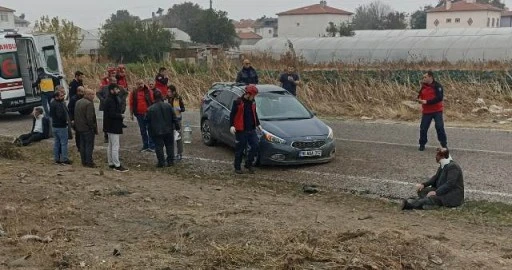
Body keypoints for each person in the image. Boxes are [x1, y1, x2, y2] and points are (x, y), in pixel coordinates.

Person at [229, 84, 261, 174]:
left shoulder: (253, 102)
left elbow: (254, 113)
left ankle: (248, 163)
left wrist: (258, 124)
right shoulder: (238, 102)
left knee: (255, 145)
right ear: (248, 94)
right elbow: (232, 114)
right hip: (241, 130)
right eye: (253, 95)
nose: (254, 97)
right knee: (240, 149)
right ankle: (237, 167)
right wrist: (232, 125)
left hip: (251, 129)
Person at [147, 90, 181, 167]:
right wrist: (177, 127)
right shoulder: (168, 106)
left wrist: (150, 132)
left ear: (154, 98)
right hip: (168, 129)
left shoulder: (150, 109)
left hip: (157, 131)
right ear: (161, 97)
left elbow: (147, 121)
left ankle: (161, 162)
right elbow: (174, 118)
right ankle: (170, 161)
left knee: (159, 147)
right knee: (169, 146)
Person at [417, 71, 447, 151]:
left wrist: (427, 102)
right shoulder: (423, 87)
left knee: (439, 127)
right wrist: (419, 100)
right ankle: (422, 144)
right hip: (427, 111)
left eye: (425, 77)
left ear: (430, 77)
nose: (424, 78)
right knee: (423, 128)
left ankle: (443, 144)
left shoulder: (437, 86)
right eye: (423, 77)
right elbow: (419, 95)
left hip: (437, 110)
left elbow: (439, 98)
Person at [103, 84, 129, 172]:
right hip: (113, 125)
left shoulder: (110, 99)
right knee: (115, 146)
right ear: (111, 90)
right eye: (116, 89)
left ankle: (111, 162)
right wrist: (120, 116)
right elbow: (111, 114)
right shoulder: (111, 100)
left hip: (109, 125)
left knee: (110, 145)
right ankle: (117, 165)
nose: (118, 91)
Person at [74, 89, 98, 168]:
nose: (93, 96)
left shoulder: (78, 102)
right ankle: (89, 162)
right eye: (92, 94)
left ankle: (83, 161)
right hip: (87, 128)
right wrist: (92, 127)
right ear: (87, 94)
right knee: (89, 146)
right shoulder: (88, 104)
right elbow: (90, 118)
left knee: (82, 145)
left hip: (79, 128)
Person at [130, 79, 155, 152]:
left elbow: (153, 102)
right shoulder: (133, 93)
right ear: (136, 85)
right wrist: (131, 114)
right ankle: (145, 145)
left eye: (141, 83)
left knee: (150, 129)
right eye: (139, 84)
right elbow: (131, 104)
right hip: (139, 114)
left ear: (144, 83)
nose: (140, 85)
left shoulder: (148, 91)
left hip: (148, 114)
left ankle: (152, 146)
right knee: (143, 130)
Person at [50, 89, 72, 165]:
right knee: (63, 143)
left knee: (56, 143)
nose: (63, 97)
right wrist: (65, 121)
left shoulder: (52, 103)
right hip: (61, 127)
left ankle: (56, 158)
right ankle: (64, 158)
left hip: (54, 126)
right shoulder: (59, 104)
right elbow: (60, 116)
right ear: (56, 97)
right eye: (61, 96)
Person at [167, 85, 186, 161]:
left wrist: (179, 109)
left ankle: (179, 154)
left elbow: (183, 109)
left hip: (177, 121)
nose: (168, 93)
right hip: (169, 121)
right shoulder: (167, 98)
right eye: (167, 91)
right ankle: (171, 154)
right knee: (170, 138)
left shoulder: (178, 98)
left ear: (173, 92)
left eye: (169, 91)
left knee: (178, 137)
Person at [97, 76, 117, 143]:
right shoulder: (104, 87)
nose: (115, 82)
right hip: (106, 108)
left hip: (114, 107)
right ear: (110, 81)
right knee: (106, 121)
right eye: (113, 81)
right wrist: (102, 99)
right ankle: (106, 136)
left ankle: (113, 134)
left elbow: (124, 93)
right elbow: (98, 93)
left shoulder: (117, 88)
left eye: (115, 81)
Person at [68, 86, 85, 151]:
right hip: (76, 118)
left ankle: (82, 145)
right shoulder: (73, 99)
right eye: (82, 92)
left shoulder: (83, 98)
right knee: (78, 134)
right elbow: (70, 109)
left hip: (82, 118)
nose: (83, 93)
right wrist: (72, 119)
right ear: (78, 91)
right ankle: (79, 147)